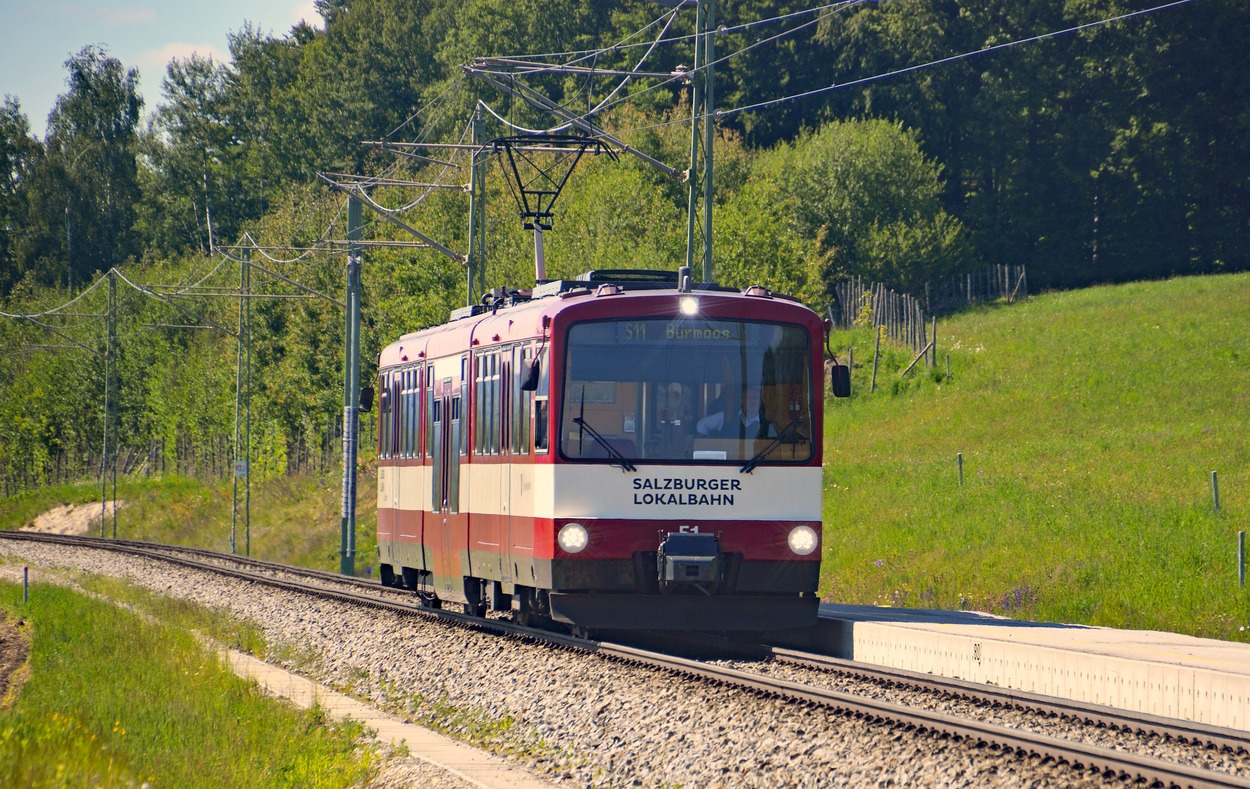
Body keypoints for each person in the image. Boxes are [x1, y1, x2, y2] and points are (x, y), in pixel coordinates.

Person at [696, 385, 775, 439]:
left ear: (760, 402)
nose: (753, 401)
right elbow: (701, 425)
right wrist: (709, 443)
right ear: (742, 400)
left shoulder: (767, 421)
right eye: (749, 398)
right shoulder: (726, 416)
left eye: (756, 398)